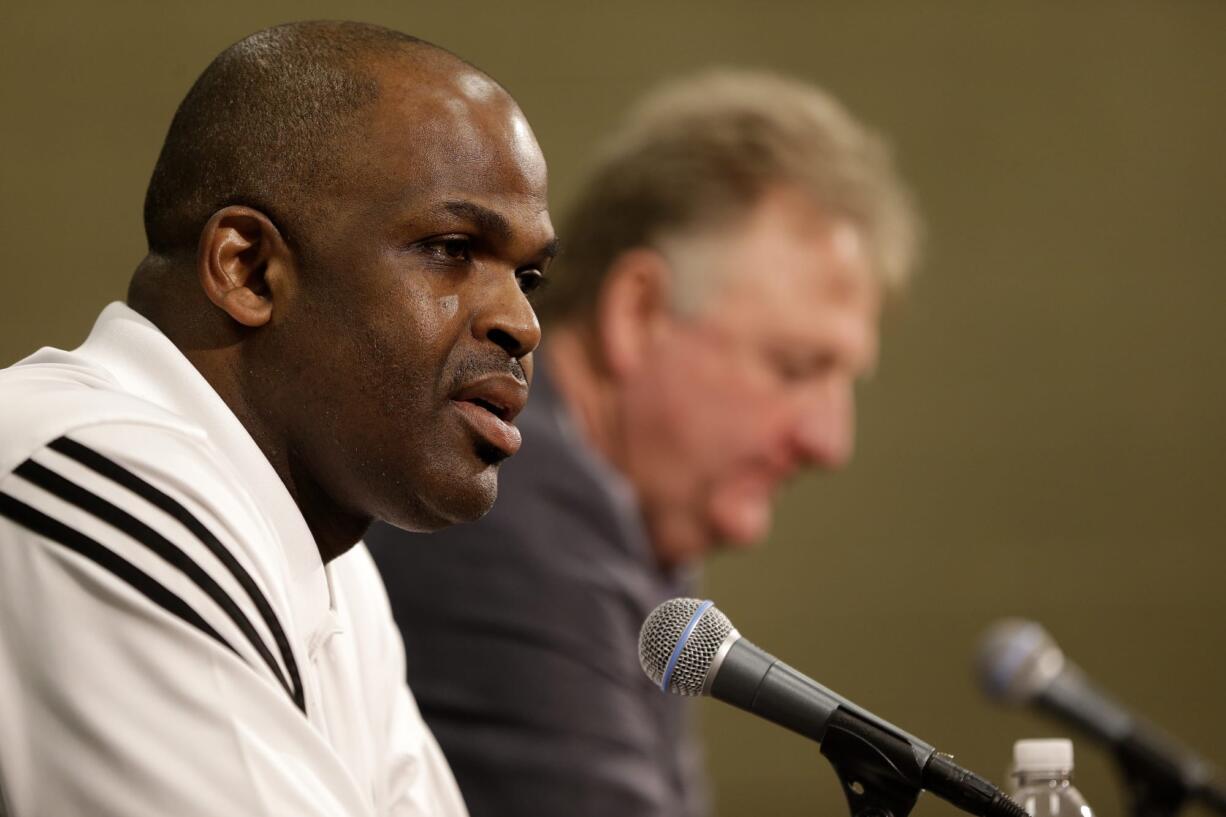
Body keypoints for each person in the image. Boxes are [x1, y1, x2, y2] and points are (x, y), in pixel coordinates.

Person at [0, 20, 556, 817]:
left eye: (528, 274)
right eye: (451, 246)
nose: (523, 323)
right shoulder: (94, 474)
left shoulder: (337, 570)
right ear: (248, 270)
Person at [368, 69, 920, 817]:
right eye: (796, 367)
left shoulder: (611, 516)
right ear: (638, 311)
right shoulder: (507, 520)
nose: (831, 440)